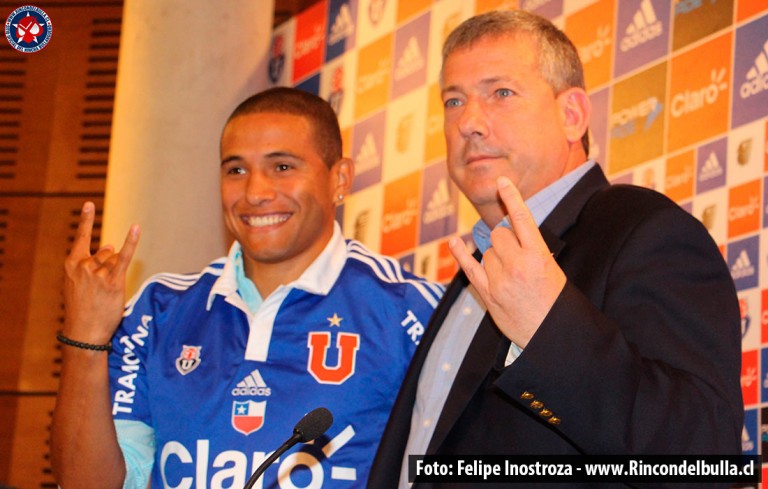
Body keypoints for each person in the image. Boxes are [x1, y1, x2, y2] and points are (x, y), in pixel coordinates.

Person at [367, 10, 743, 489]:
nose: (468, 122)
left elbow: (705, 459)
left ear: (572, 116)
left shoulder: (644, 230)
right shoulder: (474, 267)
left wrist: (547, 332)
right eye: (454, 100)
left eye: (500, 93)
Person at [50, 87, 444, 489]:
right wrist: (86, 339)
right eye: (236, 170)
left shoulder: (412, 311)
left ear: (339, 179)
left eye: (283, 167)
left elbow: (474, 465)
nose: (255, 193)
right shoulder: (157, 312)